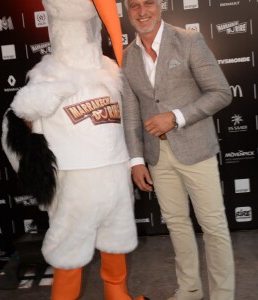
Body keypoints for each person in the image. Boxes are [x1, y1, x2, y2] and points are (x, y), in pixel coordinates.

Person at [1, 0, 148, 299]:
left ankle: (118, 294)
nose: (83, 32)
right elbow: (14, 133)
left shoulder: (110, 72)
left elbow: (126, 119)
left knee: (115, 242)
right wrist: (33, 107)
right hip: (74, 183)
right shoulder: (46, 76)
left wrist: (132, 161)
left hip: (114, 175)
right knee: (70, 250)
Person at [121, 0, 235, 299]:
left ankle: (223, 295)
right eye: (134, 5)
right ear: (126, 11)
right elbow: (131, 112)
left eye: (148, 3)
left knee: (213, 225)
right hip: (157, 156)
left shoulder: (188, 40)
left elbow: (221, 93)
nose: (142, 11)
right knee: (177, 225)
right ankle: (190, 290)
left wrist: (176, 117)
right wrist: (135, 159)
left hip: (196, 149)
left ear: (160, 6)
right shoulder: (127, 56)